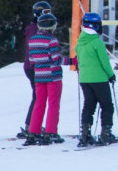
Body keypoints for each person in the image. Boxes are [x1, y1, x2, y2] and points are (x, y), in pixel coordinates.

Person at [24, 13, 73, 146]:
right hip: (53, 76)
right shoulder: (52, 39)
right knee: (53, 103)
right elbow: (56, 60)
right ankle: (51, 132)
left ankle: (33, 132)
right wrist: (72, 61)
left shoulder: (32, 40)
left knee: (39, 103)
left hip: (39, 76)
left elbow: (32, 60)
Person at [75, 12, 118, 147]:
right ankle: (105, 133)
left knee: (89, 105)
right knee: (106, 105)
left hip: (84, 79)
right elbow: (104, 62)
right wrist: (111, 75)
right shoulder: (96, 42)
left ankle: (85, 134)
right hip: (99, 79)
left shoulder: (79, 42)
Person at [17, 1, 52, 139]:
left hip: (37, 66)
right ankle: (31, 126)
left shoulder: (40, 27)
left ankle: (32, 124)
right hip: (33, 67)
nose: (49, 16)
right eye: (46, 13)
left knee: (38, 95)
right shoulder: (33, 28)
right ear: (38, 13)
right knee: (38, 96)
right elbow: (34, 47)